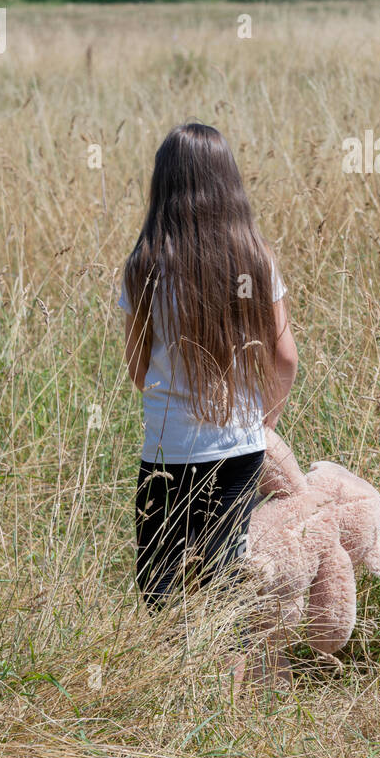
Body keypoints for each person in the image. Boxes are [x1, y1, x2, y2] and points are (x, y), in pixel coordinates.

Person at [118, 121, 298, 687]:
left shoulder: (145, 264)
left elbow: (138, 370)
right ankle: (231, 704)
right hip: (239, 448)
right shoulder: (255, 257)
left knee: (160, 583)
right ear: (229, 183)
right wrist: (261, 421)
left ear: (162, 183)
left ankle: (175, 694)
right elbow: (286, 357)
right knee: (225, 579)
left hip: (169, 449)